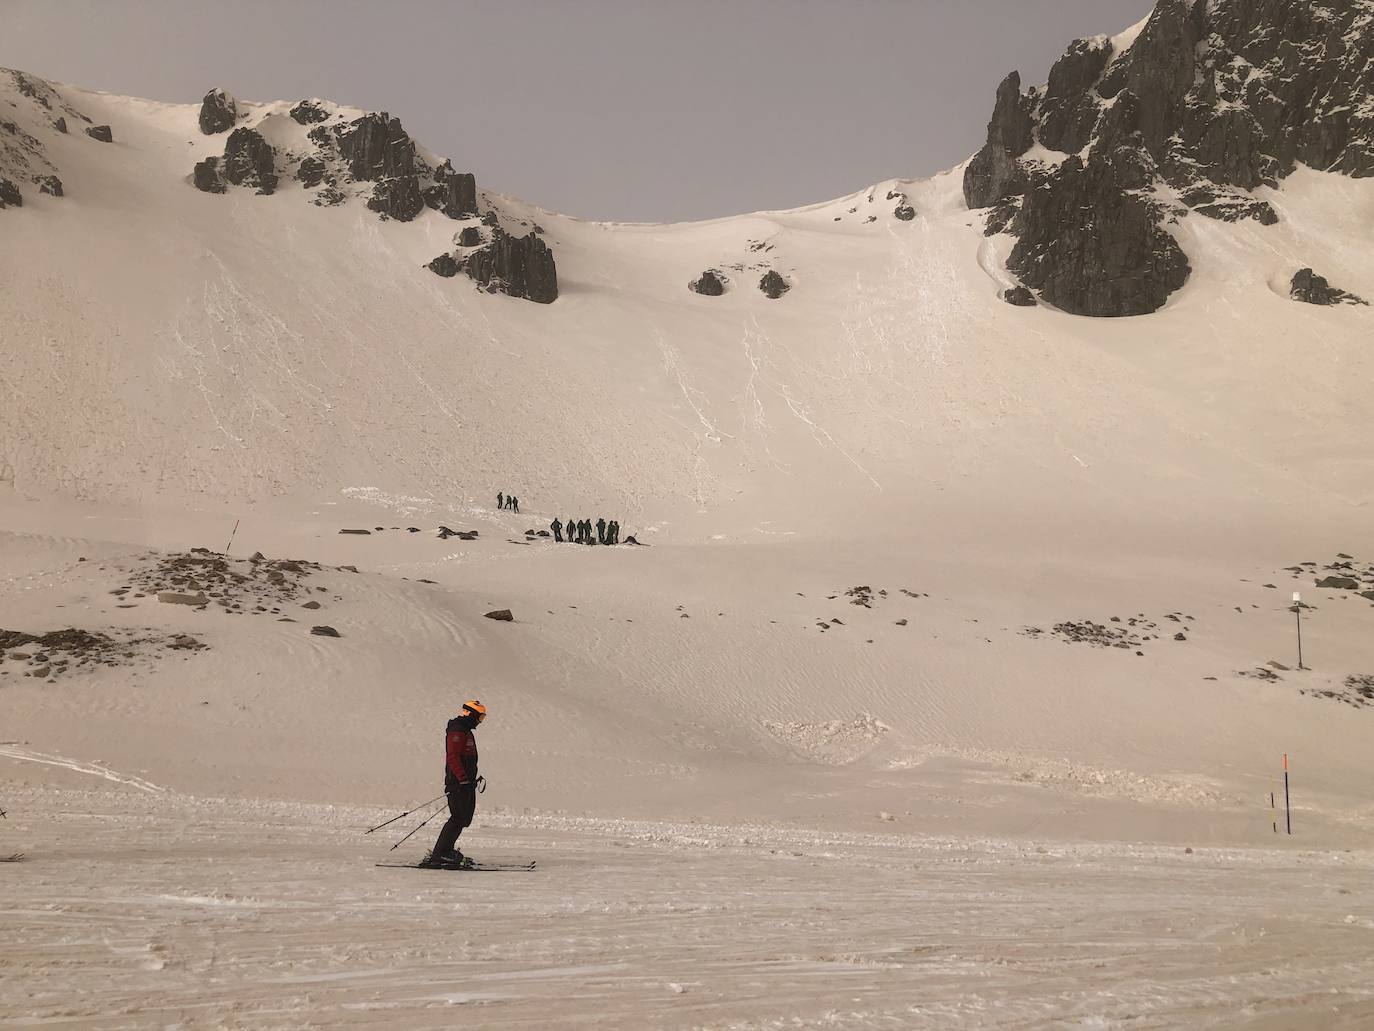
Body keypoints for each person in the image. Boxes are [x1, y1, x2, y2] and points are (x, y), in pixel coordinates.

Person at [425, 700, 488, 868]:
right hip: (459, 783)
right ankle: (440, 854)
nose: (480, 721)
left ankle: (446, 850)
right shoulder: (457, 731)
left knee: (464, 818)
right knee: (458, 818)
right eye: (480, 717)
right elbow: (452, 757)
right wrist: (462, 779)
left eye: (483, 718)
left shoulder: (465, 730)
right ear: (471, 714)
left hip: (466, 783)